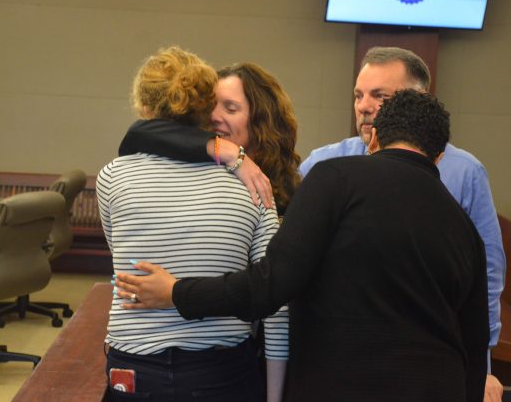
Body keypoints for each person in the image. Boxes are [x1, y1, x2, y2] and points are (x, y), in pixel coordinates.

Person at [115, 89, 490, 402]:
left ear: (373, 138)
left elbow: (270, 285)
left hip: (338, 385)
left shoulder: (337, 178)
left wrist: (178, 292)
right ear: (439, 155)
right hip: (437, 387)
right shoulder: (464, 229)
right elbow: (474, 347)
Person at [299, 46, 505, 402]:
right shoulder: (324, 163)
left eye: (380, 96)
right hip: (337, 357)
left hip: (426, 363)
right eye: (358, 95)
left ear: (417, 101)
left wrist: (481, 367)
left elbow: (487, 275)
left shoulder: (463, 171)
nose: (364, 106)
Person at [97, 46, 289, 402]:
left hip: (136, 367)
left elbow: (121, 262)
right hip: (221, 370)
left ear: (144, 108)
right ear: (206, 110)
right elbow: (276, 305)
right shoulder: (254, 183)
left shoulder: (113, 176)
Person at [117, 61, 302, 216]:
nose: (214, 116)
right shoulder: (202, 166)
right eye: (210, 107)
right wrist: (228, 152)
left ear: (262, 120)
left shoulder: (293, 194)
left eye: (230, 109)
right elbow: (139, 133)